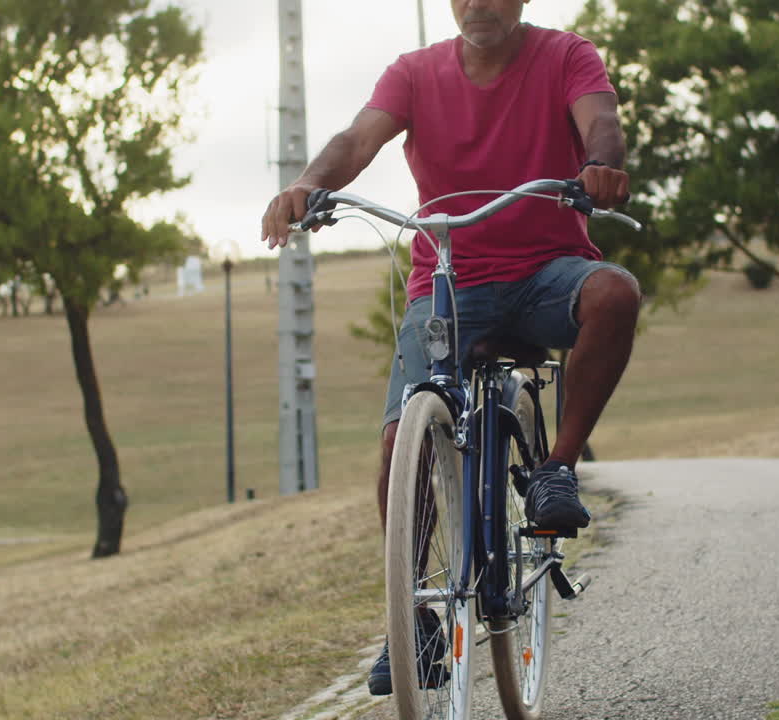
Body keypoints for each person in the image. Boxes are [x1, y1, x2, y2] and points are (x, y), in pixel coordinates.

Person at [260, 0, 641, 696]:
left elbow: (602, 124)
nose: (479, 4)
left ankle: (556, 469)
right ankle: (413, 623)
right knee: (398, 440)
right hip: (449, 284)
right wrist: (309, 183)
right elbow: (356, 140)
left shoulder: (565, 56)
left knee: (614, 294)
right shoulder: (413, 73)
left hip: (547, 271)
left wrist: (600, 166)